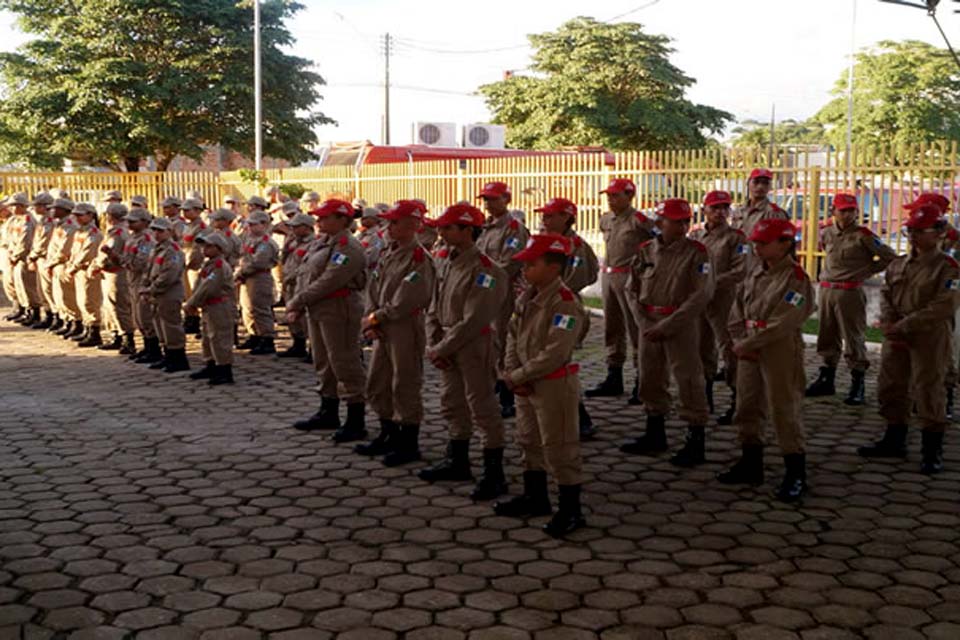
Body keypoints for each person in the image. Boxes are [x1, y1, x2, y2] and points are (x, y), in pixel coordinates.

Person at [493, 233, 587, 537]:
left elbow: (555, 352)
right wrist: (511, 369)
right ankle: (535, 497)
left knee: (559, 448)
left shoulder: (565, 303)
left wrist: (517, 377)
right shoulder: (527, 296)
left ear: (554, 268)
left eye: (532, 264)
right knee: (529, 441)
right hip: (525, 382)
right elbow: (512, 333)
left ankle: (571, 510)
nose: (525, 269)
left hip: (552, 385)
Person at [718, 218, 814, 503]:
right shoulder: (755, 273)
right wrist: (738, 340)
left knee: (783, 406)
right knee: (747, 405)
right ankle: (751, 462)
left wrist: (749, 343)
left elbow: (785, 320)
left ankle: (795, 472)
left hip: (779, 349)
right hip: (749, 347)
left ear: (785, 244)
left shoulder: (796, 278)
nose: (756, 248)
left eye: (763, 243)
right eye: (755, 243)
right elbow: (738, 310)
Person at [860, 204, 960, 474]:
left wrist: (906, 324)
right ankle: (894, 439)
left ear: (938, 232)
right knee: (891, 385)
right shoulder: (899, 264)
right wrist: (890, 320)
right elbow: (887, 293)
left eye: (919, 231)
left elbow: (944, 305)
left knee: (929, 388)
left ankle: (931, 450)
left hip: (928, 334)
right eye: (910, 231)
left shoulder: (948, 268)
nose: (913, 236)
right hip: (897, 333)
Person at [420, 202, 509, 502]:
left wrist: (442, 346)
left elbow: (474, 319)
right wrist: (434, 342)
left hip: (473, 345)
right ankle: (457, 460)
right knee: (452, 402)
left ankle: (494, 474)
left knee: (482, 405)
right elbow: (435, 304)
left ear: (468, 230)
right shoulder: (446, 260)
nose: (441, 232)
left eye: (448, 227)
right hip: (448, 342)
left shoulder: (486, 270)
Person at [620, 198, 713, 466]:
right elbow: (631, 288)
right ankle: (654, 433)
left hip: (680, 324)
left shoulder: (697, 252)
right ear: (660, 222)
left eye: (686, 220)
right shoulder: (646, 250)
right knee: (650, 376)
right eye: (676, 221)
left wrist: (669, 325)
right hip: (649, 323)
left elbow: (701, 293)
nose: (683, 226)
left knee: (689, 380)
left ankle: (695, 440)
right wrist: (643, 321)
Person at [357, 199, 436, 465]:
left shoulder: (418, 258)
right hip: (383, 324)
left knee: (405, 382)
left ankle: (408, 442)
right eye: (388, 222)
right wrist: (372, 318)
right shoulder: (390, 252)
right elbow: (374, 287)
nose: (388, 227)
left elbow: (407, 299)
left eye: (394, 222)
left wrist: (376, 317)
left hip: (404, 326)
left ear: (413, 225)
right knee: (378, 380)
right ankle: (387, 432)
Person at [288, 199, 368, 443]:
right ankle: (328, 411)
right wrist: (301, 303)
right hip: (319, 308)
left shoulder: (348, 247)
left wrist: (298, 301)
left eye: (325, 217)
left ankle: (356, 419)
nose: (319, 221)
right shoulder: (322, 242)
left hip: (338, 309)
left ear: (342, 219)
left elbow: (330, 280)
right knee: (323, 361)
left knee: (344, 361)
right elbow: (307, 274)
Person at [805, 193, 898, 404]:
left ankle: (858, 383)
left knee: (853, 337)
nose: (847, 215)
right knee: (827, 335)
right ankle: (826, 378)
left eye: (851, 210)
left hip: (850, 292)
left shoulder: (863, 235)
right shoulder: (826, 233)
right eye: (843, 210)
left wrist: (866, 271)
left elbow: (888, 256)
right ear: (833, 211)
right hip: (828, 290)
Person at [536, 197, 600, 439]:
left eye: (551, 215)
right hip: (541, 306)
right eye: (544, 214)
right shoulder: (543, 241)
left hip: (563, 308)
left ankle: (581, 419)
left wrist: (556, 291)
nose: (545, 219)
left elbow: (584, 275)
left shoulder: (576, 245)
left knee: (560, 362)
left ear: (567, 217)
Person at [589, 178, 655, 404]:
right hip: (609, 275)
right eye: (609, 195)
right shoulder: (606, 219)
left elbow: (656, 244)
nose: (610, 199)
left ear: (630, 196)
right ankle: (613, 375)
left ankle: (642, 379)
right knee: (612, 327)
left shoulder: (639, 221)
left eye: (616, 195)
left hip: (630, 276)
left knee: (635, 328)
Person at [690, 191, 747, 424]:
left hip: (725, 299)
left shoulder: (736, 238)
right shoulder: (697, 236)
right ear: (705, 210)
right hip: (699, 299)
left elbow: (741, 269)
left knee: (730, 348)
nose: (720, 212)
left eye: (725, 208)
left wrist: (713, 282)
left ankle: (737, 399)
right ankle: (705, 395)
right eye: (715, 208)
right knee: (701, 346)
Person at [475, 181, 530, 418]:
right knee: (490, 339)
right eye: (486, 199)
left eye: (493, 199)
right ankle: (496, 385)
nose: (488, 204)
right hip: (485, 291)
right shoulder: (487, 228)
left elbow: (510, 263)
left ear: (507, 200)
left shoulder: (513, 228)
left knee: (504, 339)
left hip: (503, 292)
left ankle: (508, 394)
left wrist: (484, 283)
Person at [185, 233, 237, 385]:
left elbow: (209, 288)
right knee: (208, 337)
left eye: (209, 246)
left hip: (219, 305)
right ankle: (211, 364)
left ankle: (224, 369)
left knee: (220, 338)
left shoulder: (219, 266)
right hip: (209, 305)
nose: (204, 250)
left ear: (219, 248)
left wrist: (193, 303)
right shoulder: (210, 264)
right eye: (203, 246)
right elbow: (199, 286)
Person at [141, 217, 190, 373]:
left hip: (169, 292)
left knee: (171, 325)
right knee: (160, 325)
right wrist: (146, 286)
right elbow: (148, 270)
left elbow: (169, 275)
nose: (156, 234)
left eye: (160, 231)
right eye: (154, 230)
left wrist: (152, 288)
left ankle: (177, 357)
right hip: (157, 293)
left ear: (169, 232)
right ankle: (167, 355)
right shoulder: (157, 249)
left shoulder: (173, 250)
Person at [93, 203, 136, 354]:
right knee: (111, 307)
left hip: (116, 273)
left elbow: (109, 254)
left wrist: (98, 265)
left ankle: (126, 338)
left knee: (119, 306)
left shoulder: (118, 233)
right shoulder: (117, 231)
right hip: (112, 273)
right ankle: (117, 335)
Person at [235, 209, 279, 355]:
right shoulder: (249, 238)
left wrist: (240, 273)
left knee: (260, 308)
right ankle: (254, 334)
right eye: (250, 224)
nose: (250, 227)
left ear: (264, 224)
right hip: (247, 277)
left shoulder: (266, 242)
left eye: (254, 224)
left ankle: (267, 338)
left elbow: (258, 262)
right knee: (247, 308)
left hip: (259, 277)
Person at [121, 207, 161, 363]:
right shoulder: (133, 237)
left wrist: (128, 262)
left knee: (145, 315)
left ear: (144, 222)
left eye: (133, 221)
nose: (129, 224)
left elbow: (141, 262)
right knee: (137, 315)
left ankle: (154, 349)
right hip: (132, 278)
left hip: (142, 278)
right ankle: (146, 346)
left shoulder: (146, 239)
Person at [64, 203, 104, 347]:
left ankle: (94, 331)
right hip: (78, 270)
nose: (77, 218)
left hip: (87, 270)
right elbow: (75, 251)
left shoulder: (93, 233)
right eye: (76, 215)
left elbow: (87, 253)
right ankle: (87, 328)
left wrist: (74, 267)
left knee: (89, 301)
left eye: (80, 215)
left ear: (90, 215)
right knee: (81, 301)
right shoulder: (79, 232)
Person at [277, 213, 316, 359]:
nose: (292, 229)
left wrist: (292, 276)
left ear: (306, 228)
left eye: (296, 226)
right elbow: (284, 258)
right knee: (292, 314)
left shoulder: (314, 243)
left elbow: (307, 265)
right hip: (290, 283)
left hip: (302, 282)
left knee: (305, 316)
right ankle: (298, 344)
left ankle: (313, 347)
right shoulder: (294, 241)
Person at [44, 197, 78, 335]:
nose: (52, 211)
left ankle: (76, 323)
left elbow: (64, 250)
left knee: (68, 297)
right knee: (59, 296)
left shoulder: (70, 225)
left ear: (64, 210)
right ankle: (67, 321)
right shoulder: (59, 224)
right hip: (55, 264)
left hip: (62, 264)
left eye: (55, 208)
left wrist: (51, 263)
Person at [6, 193, 41, 327]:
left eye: (14, 205)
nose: (11, 208)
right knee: (20, 286)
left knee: (29, 287)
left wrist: (16, 256)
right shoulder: (16, 220)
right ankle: (26, 311)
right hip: (16, 257)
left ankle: (35, 313)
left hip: (23, 257)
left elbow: (25, 241)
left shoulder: (27, 219)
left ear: (22, 206)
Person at [26, 192, 57, 329]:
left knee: (49, 290)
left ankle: (56, 317)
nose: (35, 209)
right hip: (39, 258)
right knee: (42, 290)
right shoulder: (43, 220)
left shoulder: (50, 222)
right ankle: (49, 315)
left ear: (45, 206)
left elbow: (43, 242)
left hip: (45, 258)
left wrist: (33, 254)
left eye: (37, 206)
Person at [732, 168, 789, 239]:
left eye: (765, 183)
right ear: (748, 183)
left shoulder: (774, 213)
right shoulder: (739, 211)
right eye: (756, 182)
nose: (760, 186)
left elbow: (780, 242)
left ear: (770, 186)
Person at [180, 198, 208, 336]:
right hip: (186, 265)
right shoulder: (187, 226)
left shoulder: (201, 227)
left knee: (198, 293)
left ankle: (203, 323)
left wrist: (188, 262)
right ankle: (192, 320)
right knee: (188, 294)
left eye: (187, 210)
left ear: (197, 211)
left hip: (195, 265)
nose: (184, 212)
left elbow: (198, 249)